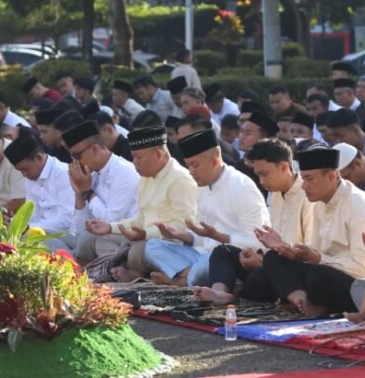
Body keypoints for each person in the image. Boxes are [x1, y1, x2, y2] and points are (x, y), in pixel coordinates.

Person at [244, 146, 365, 316]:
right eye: (303, 179)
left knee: (317, 277)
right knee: (272, 260)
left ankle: (308, 303)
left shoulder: (358, 204)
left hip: (363, 286)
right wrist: (289, 250)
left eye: (309, 179)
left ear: (332, 176)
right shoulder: (318, 203)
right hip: (326, 272)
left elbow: (363, 269)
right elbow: (314, 254)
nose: (304, 186)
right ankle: (301, 300)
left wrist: (318, 259)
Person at [193, 139, 314, 304]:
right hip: (271, 262)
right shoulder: (275, 193)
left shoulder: (307, 195)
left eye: (265, 174)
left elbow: (308, 251)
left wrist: (263, 260)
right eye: (258, 175)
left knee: (262, 273)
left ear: (284, 167)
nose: (261, 181)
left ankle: (238, 298)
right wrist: (257, 255)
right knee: (223, 251)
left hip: (291, 269)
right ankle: (220, 292)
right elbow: (269, 240)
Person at [143, 129, 269, 287]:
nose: (191, 171)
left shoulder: (242, 188)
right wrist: (181, 236)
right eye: (188, 165)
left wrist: (218, 236)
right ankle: (187, 278)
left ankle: (182, 279)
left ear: (215, 162)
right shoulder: (201, 186)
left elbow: (256, 241)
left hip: (227, 258)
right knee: (153, 247)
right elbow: (203, 239)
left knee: (203, 268)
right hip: (201, 254)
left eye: (195, 165)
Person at [83, 126, 197, 281]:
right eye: (133, 157)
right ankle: (130, 270)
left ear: (158, 154)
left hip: (169, 244)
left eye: (139, 157)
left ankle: (136, 273)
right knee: (98, 239)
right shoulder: (146, 178)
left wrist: (145, 234)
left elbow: (183, 228)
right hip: (146, 238)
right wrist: (110, 227)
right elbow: (141, 219)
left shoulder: (180, 180)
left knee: (138, 251)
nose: (134, 163)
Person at [61, 120, 140, 263]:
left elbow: (111, 222)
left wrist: (88, 192)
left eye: (77, 156)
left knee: (95, 241)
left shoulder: (124, 171)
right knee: (82, 239)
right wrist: (79, 193)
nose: (76, 163)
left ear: (94, 149)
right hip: (106, 236)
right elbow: (80, 229)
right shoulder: (92, 175)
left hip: (132, 234)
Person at [5, 128, 76, 251]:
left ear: (38, 158)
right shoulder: (31, 178)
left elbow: (67, 219)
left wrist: (29, 228)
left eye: (25, 169)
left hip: (71, 235)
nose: (24, 175)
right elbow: (33, 214)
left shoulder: (64, 173)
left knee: (37, 240)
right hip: (45, 233)